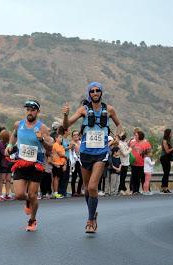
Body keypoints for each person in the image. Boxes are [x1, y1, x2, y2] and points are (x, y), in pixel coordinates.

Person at [63, 82, 122, 233]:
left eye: (97, 91)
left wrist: (116, 137)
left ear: (101, 93)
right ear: (89, 94)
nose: (95, 93)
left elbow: (119, 125)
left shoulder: (109, 109)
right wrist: (65, 115)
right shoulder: (84, 109)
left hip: (101, 153)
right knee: (87, 190)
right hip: (85, 153)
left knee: (92, 187)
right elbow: (66, 125)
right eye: (92, 91)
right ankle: (92, 212)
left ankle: (90, 221)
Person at [5, 99, 52, 231]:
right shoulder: (18, 124)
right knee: (19, 195)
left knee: (33, 195)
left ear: (38, 112)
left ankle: (32, 220)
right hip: (21, 162)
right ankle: (28, 201)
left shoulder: (42, 128)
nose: (30, 112)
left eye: (33, 110)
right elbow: (14, 136)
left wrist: (41, 140)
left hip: (36, 164)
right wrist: (9, 145)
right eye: (28, 110)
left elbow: (50, 149)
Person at [159, 129, 173, 194]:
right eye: (171, 133)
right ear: (168, 134)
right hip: (164, 158)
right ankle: (164, 188)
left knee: (167, 173)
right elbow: (167, 151)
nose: (172, 134)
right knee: (166, 173)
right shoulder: (164, 141)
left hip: (167, 158)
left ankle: (165, 187)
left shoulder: (168, 140)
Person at [0, 129, 13, 200]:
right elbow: (5, 153)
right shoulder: (0, 144)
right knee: (2, 179)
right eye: (9, 135)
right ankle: (0, 194)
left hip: (9, 163)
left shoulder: (9, 143)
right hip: (3, 164)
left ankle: (7, 193)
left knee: (8, 179)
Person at [51, 133, 66, 199]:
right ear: (56, 138)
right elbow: (60, 154)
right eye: (59, 137)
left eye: (61, 137)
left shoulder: (61, 146)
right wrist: (66, 157)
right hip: (56, 164)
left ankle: (57, 192)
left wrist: (64, 163)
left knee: (58, 178)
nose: (61, 138)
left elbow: (63, 155)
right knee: (56, 178)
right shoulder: (55, 145)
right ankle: (55, 193)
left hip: (61, 164)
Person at [70, 130, 83, 197]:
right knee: (74, 177)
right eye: (74, 135)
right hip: (74, 162)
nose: (76, 136)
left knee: (82, 177)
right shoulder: (71, 143)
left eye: (77, 135)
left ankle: (78, 191)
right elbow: (73, 150)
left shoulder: (81, 142)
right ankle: (73, 192)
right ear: (72, 136)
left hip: (80, 161)